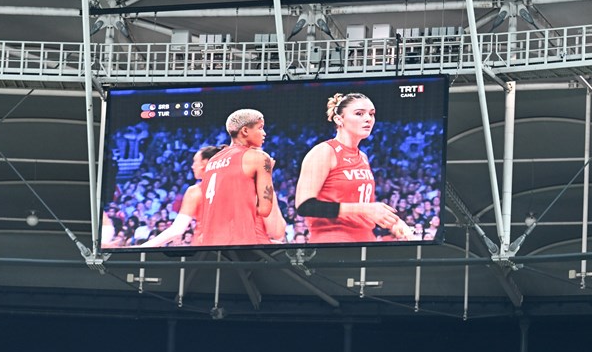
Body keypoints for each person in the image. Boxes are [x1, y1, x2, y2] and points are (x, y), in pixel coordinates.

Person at [295, 92, 412, 242]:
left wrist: (393, 223)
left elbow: (363, 207)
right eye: (359, 113)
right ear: (339, 119)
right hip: (332, 240)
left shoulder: (363, 157)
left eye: (371, 114)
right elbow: (305, 206)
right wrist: (365, 208)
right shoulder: (324, 151)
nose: (368, 119)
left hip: (365, 238)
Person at [192, 109, 285, 246]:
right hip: (246, 245)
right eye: (260, 128)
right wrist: (267, 174)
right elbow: (266, 213)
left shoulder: (212, 161)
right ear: (245, 131)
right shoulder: (259, 158)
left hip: (212, 245)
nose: (264, 133)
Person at [139, 145, 226, 248]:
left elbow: (177, 229)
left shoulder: (195, 191)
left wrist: (142, 247)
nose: (192, 166)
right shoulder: (234, 187)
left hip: (205, 250)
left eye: (195, 161)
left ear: (205, 162)